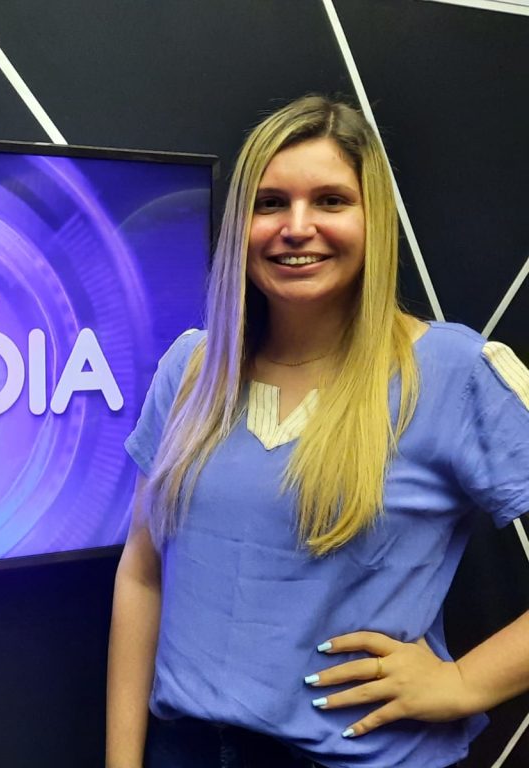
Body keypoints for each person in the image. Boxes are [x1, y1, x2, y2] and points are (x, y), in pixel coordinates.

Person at [107, 94, 529, 768]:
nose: (296, 227)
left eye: (331, 201)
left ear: (373, 218)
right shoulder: (192, 369)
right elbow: (142, 574)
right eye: (270, 203)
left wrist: (463, 683)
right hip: (184, 750)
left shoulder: (454, 371)